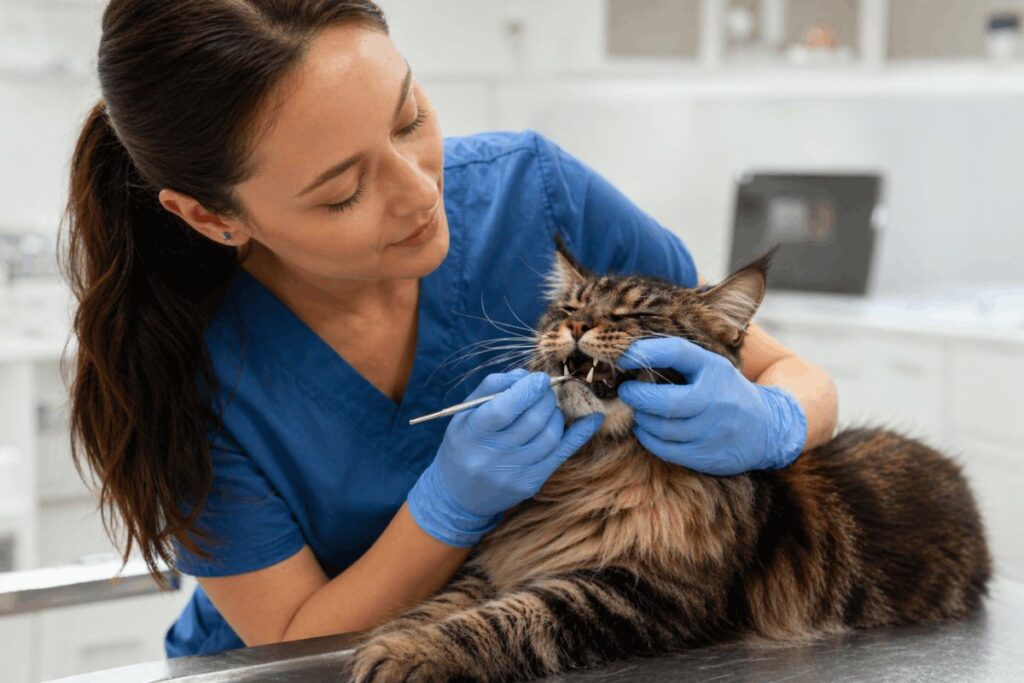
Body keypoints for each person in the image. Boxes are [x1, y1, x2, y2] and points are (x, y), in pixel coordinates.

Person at [61, 0, 838, 659]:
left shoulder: (535, 193)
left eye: (410, 117)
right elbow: (292, 641)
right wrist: (445, 509)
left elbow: (790, 375)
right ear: (211, 216)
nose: (418, 191)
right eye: (343, 192)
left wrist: (774, 420)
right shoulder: (182, 366)